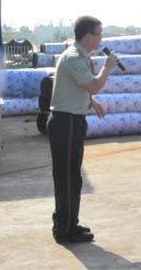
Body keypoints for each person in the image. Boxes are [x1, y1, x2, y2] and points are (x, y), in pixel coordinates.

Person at [48, 16, 118, 243]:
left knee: (72, 177)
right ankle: (64, 229)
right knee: (68, 178)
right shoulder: (73, 58)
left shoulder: (81, 57)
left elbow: (79, 88)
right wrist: (107, 68)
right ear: (88, 36)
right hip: (66, 123)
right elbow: (94, 85)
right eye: (98, 34)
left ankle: (69, 223)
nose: (100, 39)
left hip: (71, 121)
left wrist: (91, 103)